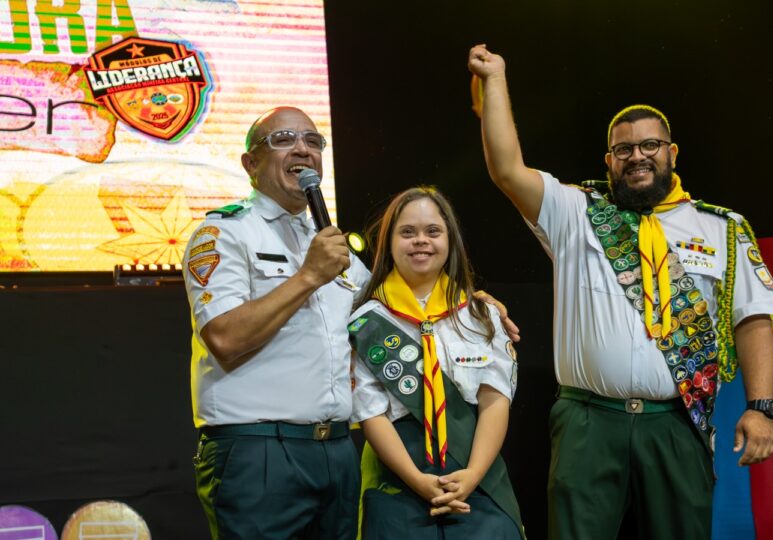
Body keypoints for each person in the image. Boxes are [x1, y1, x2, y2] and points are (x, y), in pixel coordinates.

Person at [467, 45, 773, 540]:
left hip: (676, 422)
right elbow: (507, 169)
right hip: (588, 421)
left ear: (672, 152)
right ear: (609, 160)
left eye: (650, 145)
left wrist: (761, 406)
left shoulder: (723, 228)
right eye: (624, 149)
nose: (637, 155)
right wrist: (496, 80)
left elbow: (754, 319)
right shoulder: (576, 211)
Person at [182, 106, 369, 539]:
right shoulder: (225, 233)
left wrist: (470, 304)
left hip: (338, 450)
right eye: (283, 139)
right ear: (251, 163)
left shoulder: (330, 244)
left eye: (313, 141)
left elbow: (391, 310)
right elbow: (225, 337)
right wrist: (308, 276)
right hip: (258, 450)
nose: (302, 148)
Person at [347, 186, 524, 539]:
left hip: (477, 473)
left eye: (433, 231)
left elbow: (495, 400)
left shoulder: (480, 313)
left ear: (450, 239)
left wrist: (473, 474)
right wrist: (418, 482)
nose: (420, 241)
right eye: (407, 232)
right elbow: (371, 413)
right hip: (398, 479)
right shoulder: (366, 319)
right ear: (390, 242)